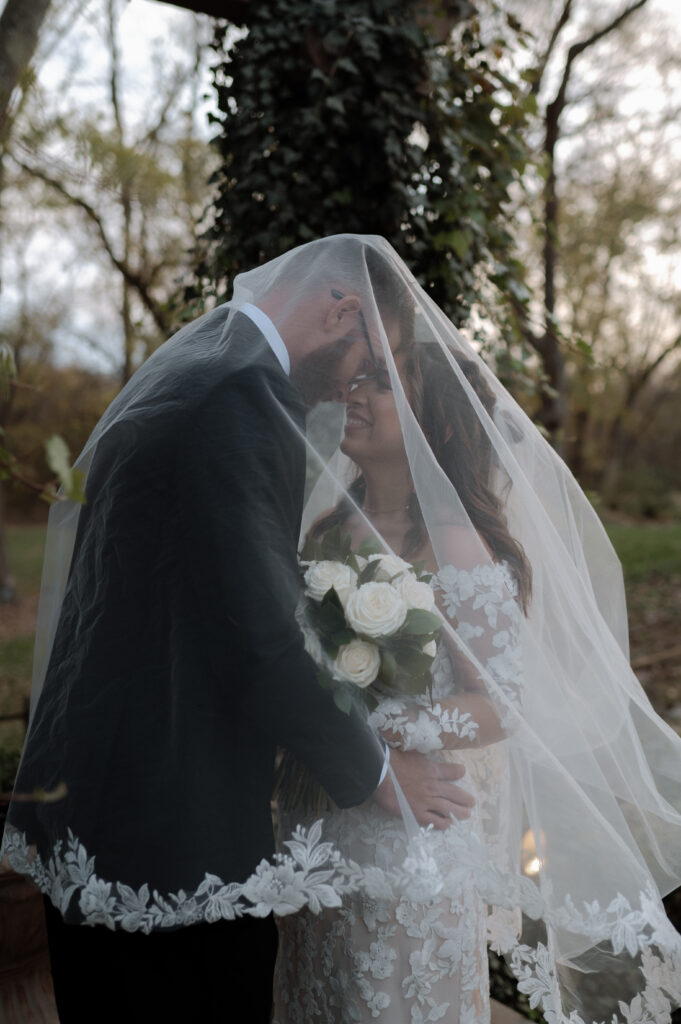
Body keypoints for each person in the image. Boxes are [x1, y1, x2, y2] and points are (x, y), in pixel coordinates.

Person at [0, 237, 474, 1023]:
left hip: (103, 790)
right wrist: (378, 770)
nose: (353, 384)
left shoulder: (191, 369)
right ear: (342, 309)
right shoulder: (240, 395)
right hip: (172, 822)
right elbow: (261, 632)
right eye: (367, 357)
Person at [267, 238, 681, 1023]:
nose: (353, 395)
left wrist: (369, 726)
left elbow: (499, 704)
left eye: (380, 384)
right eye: (354, 379)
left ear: (436, 428)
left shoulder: (455, 546)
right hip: (320, 824)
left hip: (410, 839)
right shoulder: (329, 527)